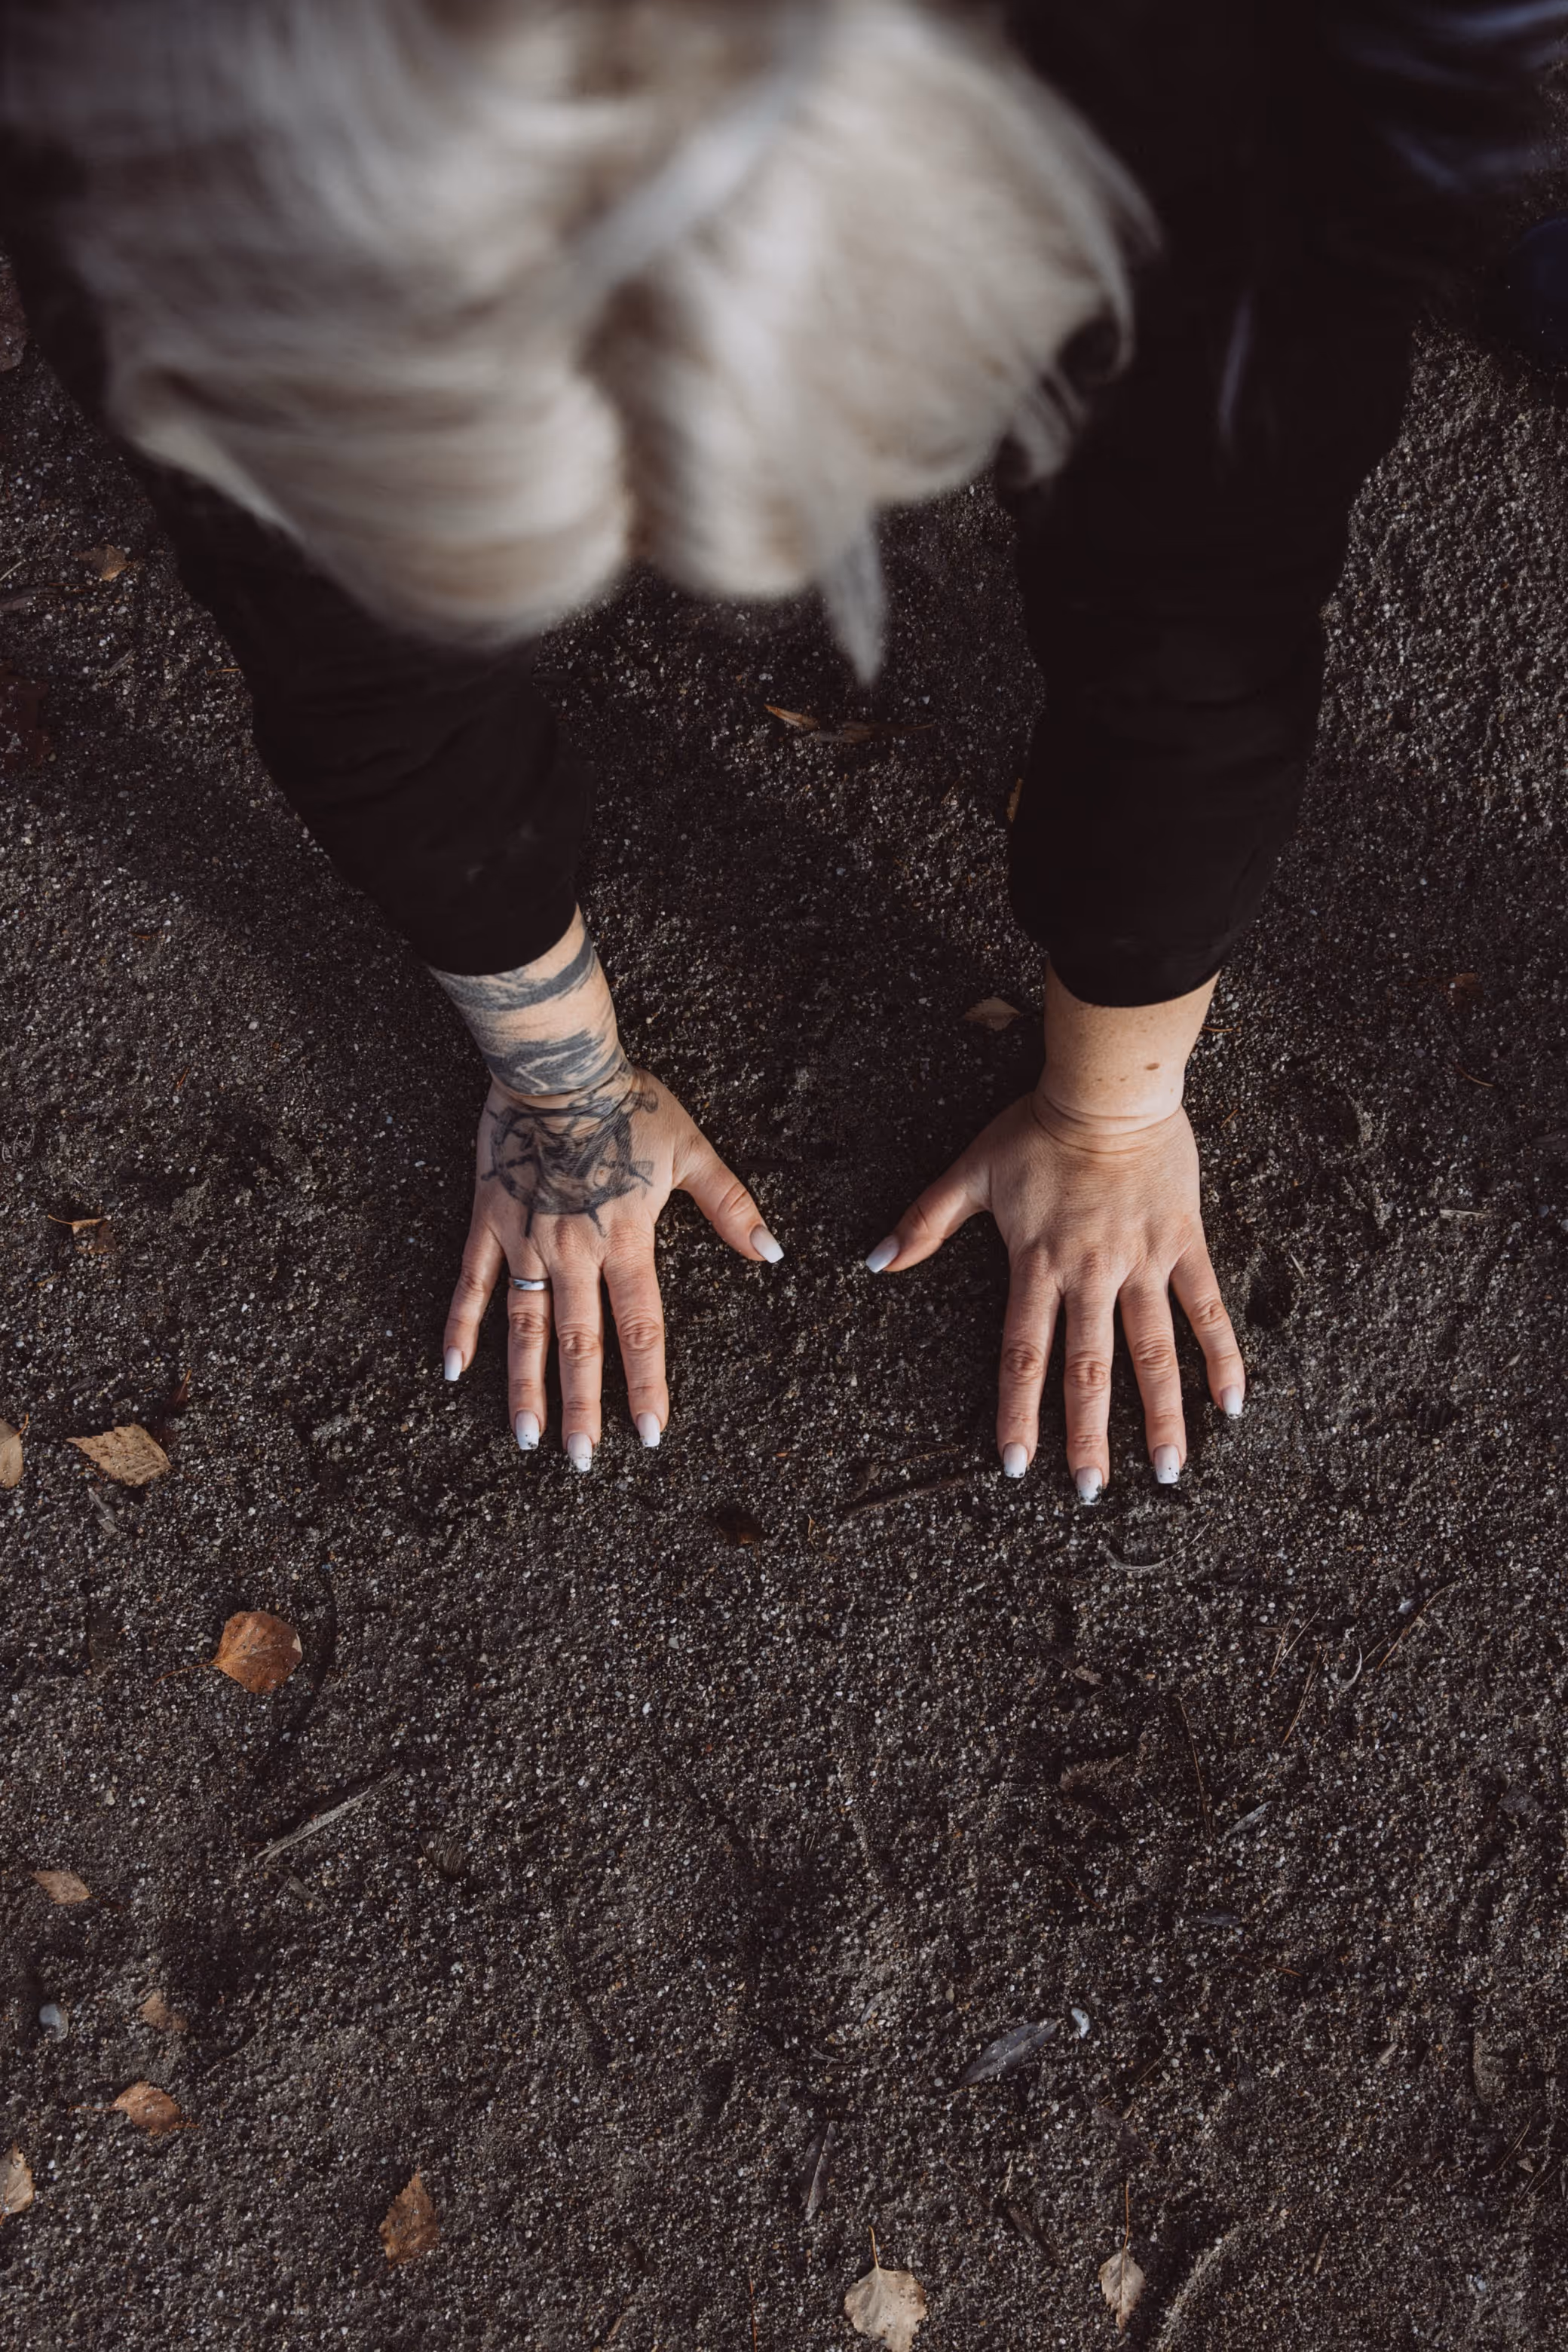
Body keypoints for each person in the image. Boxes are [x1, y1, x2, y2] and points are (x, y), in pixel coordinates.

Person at [2, 0, 1562, 1495]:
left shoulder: (1263, 109)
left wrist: (1115, 1113)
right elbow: (358, 686)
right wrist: (563, 1091)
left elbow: (1198, 622)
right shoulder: (158, 156)